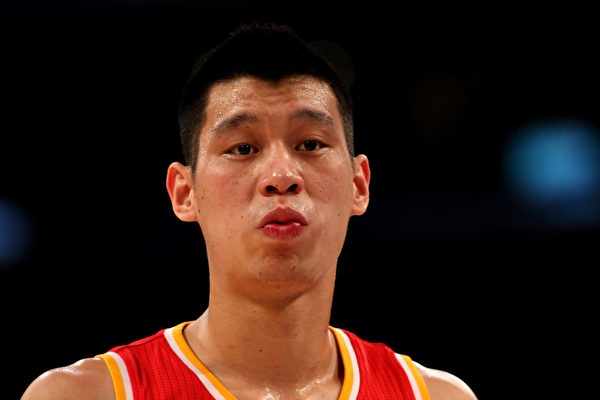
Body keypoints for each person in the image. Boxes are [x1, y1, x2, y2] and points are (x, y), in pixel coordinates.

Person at [22, 23, 477, 400]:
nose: (281, 176)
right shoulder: (83, 394)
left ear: (359, 185)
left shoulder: (436, 396)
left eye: (310, 144)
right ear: (184, 193)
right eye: (242, 148)